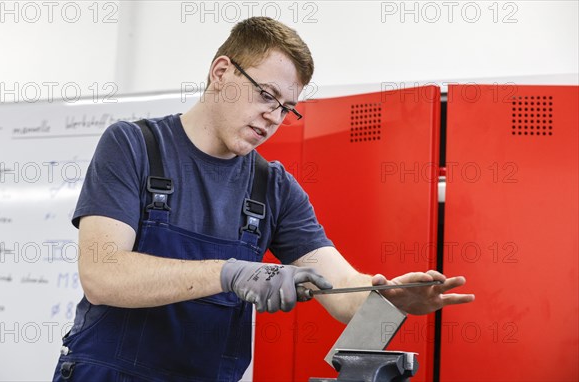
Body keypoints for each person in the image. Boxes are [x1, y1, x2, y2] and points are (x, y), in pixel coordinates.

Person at [52, 16, 474, 382]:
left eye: (287, 108)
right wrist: (231, 274)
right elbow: (102, 275)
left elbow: (339, 289)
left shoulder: (272, 187)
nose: (274, 117)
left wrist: (385, 303)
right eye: (266, 95)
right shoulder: (134, 146)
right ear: (221, 72)